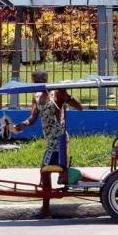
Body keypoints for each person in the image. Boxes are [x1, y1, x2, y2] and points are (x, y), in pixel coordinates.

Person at [14, 70, 97, 217]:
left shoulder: (56, 93)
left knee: (51, 172)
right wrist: (24, 124)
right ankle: (101, 183)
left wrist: (67, 97)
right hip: (50, 141)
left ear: (46, 79)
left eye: (40, 80)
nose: (37, 83)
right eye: (35, 81)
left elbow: (79, 106)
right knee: (54, 172)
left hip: (59, 139)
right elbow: (33, 117)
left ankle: (101, 183)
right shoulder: (36, 96)